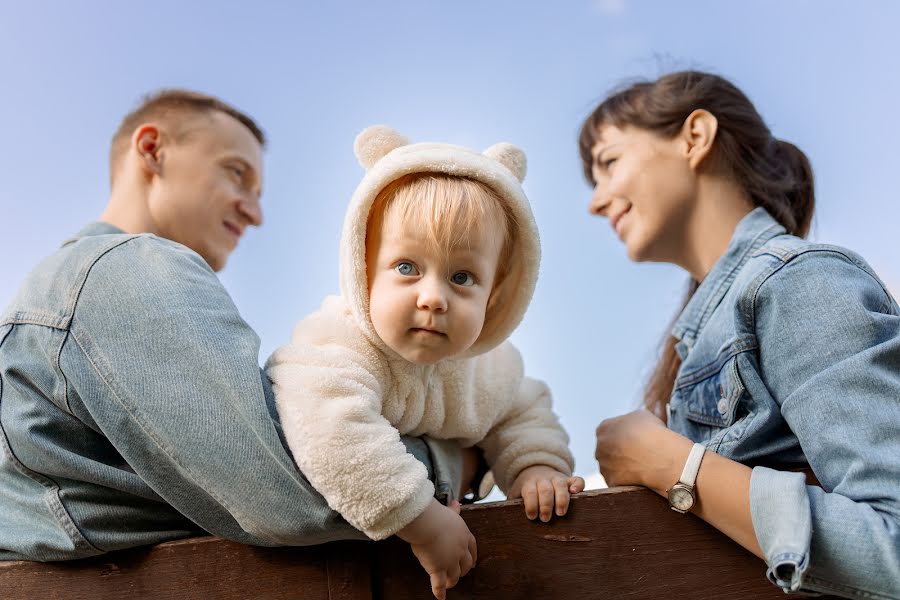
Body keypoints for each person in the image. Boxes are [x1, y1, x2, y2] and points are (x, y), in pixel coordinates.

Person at [0, 91, 476, 561]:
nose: (254, 211)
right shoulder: (126, 268)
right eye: (236, 173)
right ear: (152, 150)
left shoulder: (58, 289)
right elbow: (295, 487)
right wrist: (461, 461)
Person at [585, 71, 900, 599]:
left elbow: (891, 544)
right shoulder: (703, 335)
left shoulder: (798, 281)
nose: (595, 202)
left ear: (695, 137)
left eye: (609, 163)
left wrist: (670, 464)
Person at [266, 125, 584, 600]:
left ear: (494, 294)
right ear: (364, 267)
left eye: (462, 276)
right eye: (407, 268)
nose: (433, 298)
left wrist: (535, 467)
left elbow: (523, 410)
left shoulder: (489, 369)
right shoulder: (339, 343)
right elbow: (327, 429)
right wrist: (421, 519)